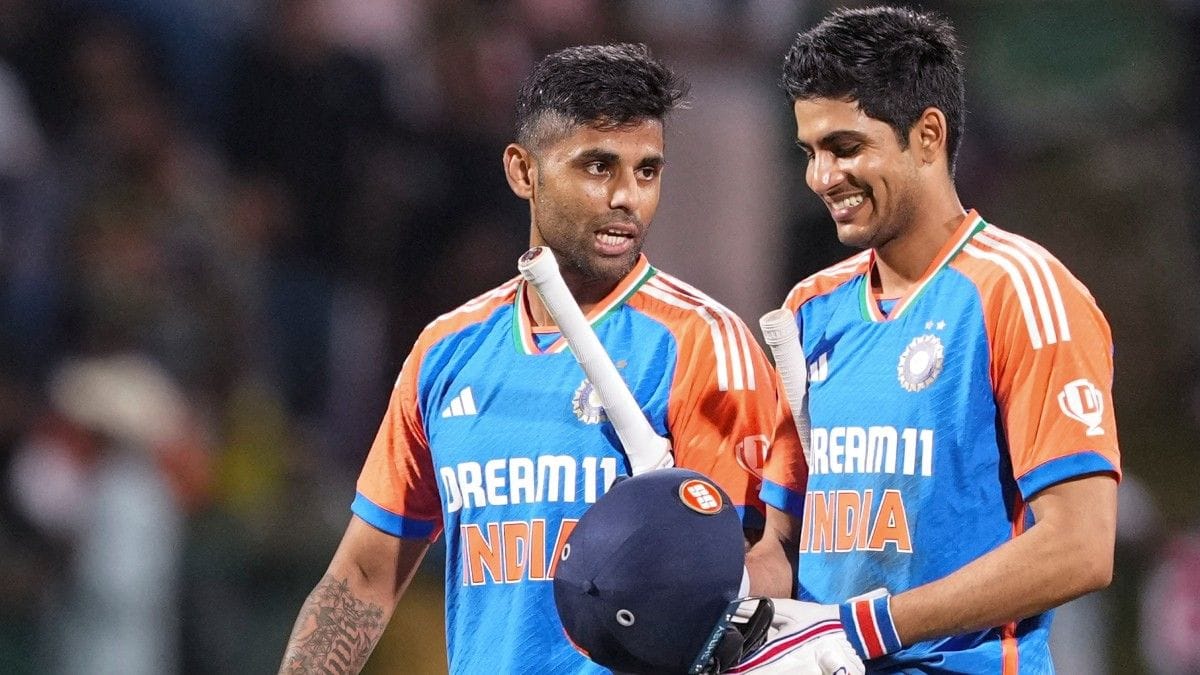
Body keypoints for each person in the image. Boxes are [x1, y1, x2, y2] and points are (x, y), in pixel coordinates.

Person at [277, 43, 805, 674]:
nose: (627, 199)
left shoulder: (702, 343)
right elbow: (363, 577)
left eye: (647, 171)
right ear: (523, 171)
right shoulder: (446, 352)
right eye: (598, 166)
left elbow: (757, 582)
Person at [746, 5, 1121, 672]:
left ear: (927, 135)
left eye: (846, 147)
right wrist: (728, 599)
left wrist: (868, 626)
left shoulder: (1023, 293)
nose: (822, 177)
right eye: (810, 152)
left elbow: (1081, 545)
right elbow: (781, 537)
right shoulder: (811, 308)